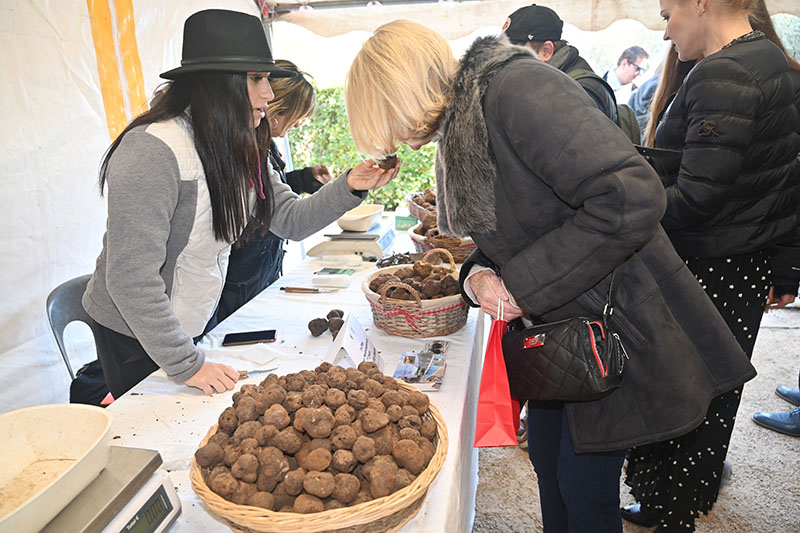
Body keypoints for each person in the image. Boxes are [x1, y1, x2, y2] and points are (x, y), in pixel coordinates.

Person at [345, 19, 755, 532]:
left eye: (387, 118)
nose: (398, 137)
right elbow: (515, 228)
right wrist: (476, 277)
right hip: (556, 329)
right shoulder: (468, 116)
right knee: (549, 467)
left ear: (399, 89)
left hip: (611, 319)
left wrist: (519, 286)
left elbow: (630, 195)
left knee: (584, 492)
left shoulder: (517, 89)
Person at [82, 9, 397, 398]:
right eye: (257, 79)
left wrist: (350, 185)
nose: (268, 92)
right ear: (219, 83)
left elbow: (289, 219)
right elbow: (131, 280)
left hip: (191, 318)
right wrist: (187, 365)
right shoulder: (152, 151)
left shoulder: (243, 145)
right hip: (133, 333)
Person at [622, 0, 800, 530]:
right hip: (744, 262)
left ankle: (670, 512)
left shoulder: (724, 73)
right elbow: (786, 182)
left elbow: (696, 196)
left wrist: (625, 208)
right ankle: (677, 503)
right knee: (714, 392)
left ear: (700, 3)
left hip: (708, 265)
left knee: (680, 394)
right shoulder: (770, 59)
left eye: (667, 14)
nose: (665, 31)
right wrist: (786, 267)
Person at [204, 59, 334, 333]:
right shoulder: (243, 149)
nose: (298, 125)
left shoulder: (263, 146)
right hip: (242, 278)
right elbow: (282, 213)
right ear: (275, 110)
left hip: (261, 269)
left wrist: (302, 178)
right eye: (297, 117)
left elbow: (271, 192)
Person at [502, 3, 618, 122]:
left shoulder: (581, 92)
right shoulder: (543, 82)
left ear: (546, 51)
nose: (507, 58)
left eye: (516, 51)